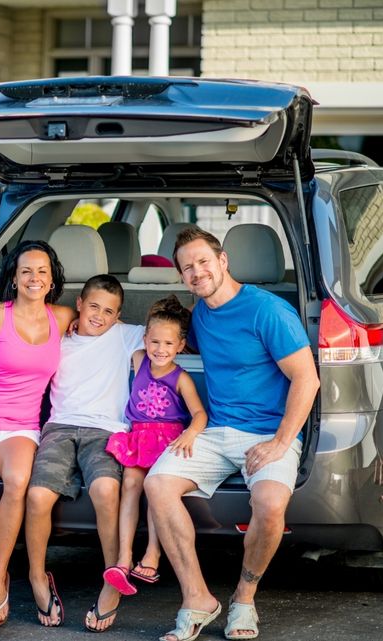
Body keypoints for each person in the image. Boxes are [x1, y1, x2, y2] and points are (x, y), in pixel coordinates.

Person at [144, 227, 319, 641]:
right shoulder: (200, 313)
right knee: (157, 484)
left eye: (204, 261)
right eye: (187, 267)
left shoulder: (268, 311)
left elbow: (306, 380)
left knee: (271, 501)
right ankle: (196, 598)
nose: (197, 271)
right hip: (216, 430)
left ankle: (244, 597)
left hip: (267, 432)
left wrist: (279, 442)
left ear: (223, 261)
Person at [0, 239, 75, 637]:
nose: (34, 277)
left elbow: (107, 327)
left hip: (21, 427)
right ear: (15, 278)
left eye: (41, 270)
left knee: (18, 482)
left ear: (52, 277)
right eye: (26, 271)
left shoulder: (63, 316)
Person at [24, 274, 145, 632]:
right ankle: (36, 576)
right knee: (37, 496)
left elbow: (170, 325)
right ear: (79, 304)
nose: (100, 316)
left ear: (118, 315)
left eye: (109, 312)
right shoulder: (57, 336)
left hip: (106, 430)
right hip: (59, 428)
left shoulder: (124, 336)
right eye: (93, 307)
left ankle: (112, 579)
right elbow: (20, 319)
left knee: (106, 490)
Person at [103, 295, 207, 597]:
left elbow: (200, 413)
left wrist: (190, 434)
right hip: (138, 436)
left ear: (180, 345)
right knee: (131, 485)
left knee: (154, 487)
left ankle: (152, 552)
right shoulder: (139, 359)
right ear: (145, 339)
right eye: (155, 342)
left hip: (168, 440)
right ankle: (123, 558)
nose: (160, 350)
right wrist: (77, 319)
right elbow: (115, 324)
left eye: (168, 344)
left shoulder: (181, 378)